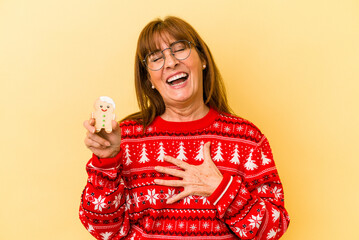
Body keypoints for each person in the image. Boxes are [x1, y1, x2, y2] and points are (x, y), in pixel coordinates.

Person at [80, 16, 290, 240]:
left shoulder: (247, 139)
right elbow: (104, 230)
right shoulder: (127, 139)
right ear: (149, 79)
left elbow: (273, 229)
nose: (170, 62)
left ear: (203, 60)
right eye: (156, 57)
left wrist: (221, 189)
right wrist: (107, 162)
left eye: (180, 49)